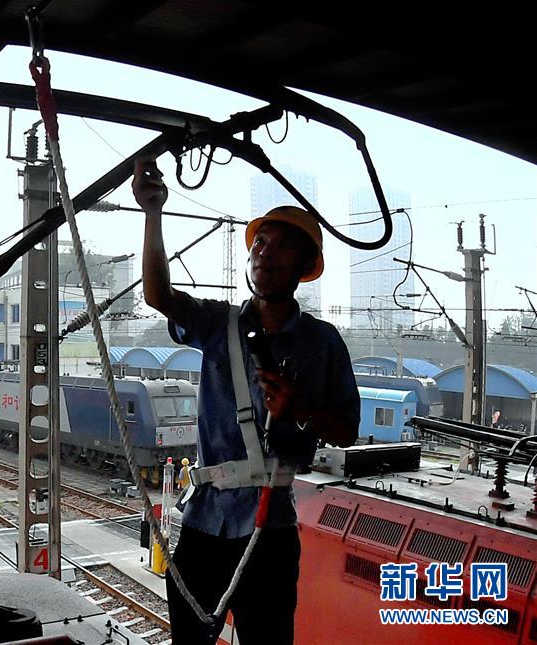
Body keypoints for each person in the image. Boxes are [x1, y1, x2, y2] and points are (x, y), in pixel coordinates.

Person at [132, 159, 359, 645]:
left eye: (281, 247)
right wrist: (153, 214)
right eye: (260, 243)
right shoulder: (219, 324)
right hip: (202, 526)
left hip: (270, 531)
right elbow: (157, 294)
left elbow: (346, 431)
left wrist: (300, 410)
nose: (264, 253)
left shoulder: (322, 344)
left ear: (303, 267)